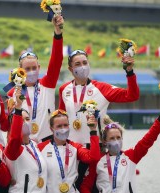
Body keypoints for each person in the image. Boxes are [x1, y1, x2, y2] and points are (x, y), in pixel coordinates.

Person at [58, 49, 139, 190]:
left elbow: (132, 96)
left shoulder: (102, 88)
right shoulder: (64, 89)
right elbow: (60, 118)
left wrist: (130, 72)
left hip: (96, 150)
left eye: (85, 62)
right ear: (70, 69)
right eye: (78, 64)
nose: (82, 66)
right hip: (72, 151)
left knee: (95, 189)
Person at [7, 15, 64, 142]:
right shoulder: (12, 92)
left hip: (47, 141)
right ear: (20, 69)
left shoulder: (47, 83)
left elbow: (57, 60)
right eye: (27, 69)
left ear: (39, 67)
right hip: (24, 143)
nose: (31, 72)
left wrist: (58, 33)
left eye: (34, 68)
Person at [94, 102, 160, 193]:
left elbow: (149, 138)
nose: (116, 141)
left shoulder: (131, 156)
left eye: (118, 137)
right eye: (112, 138)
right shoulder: (98, 160)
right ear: (105, 141)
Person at [37, 109, 101, 193]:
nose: (63, 129)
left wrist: (93, 131)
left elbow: (94, 158)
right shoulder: (40, 147)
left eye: (65, 125)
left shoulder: (75, 147)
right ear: (51, 128)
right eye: (59, 126)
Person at [5, 88, 48, 193]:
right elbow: (15, 138)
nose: (25, 122)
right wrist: (18, 108)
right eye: (21, 119)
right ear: (13, 124)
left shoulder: (34, 144)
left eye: (27, 119)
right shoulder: (12, 149)